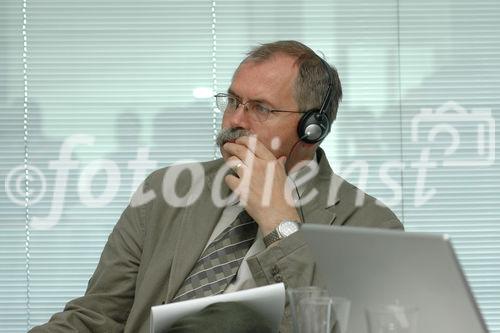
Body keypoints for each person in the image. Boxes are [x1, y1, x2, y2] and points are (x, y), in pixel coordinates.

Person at [29, 40, 402, 333]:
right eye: (233, 101)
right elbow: (97, 317)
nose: (235, 119)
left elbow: (330, 326)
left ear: (312, 129)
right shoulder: (164, 190)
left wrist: (282, 226)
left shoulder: (370, 224)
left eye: (261, 108)